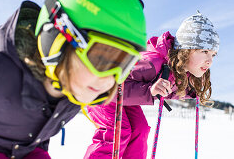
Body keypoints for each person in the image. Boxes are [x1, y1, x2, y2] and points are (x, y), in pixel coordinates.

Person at [0, 0, 147, 158]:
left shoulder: (75, 92)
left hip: (27, 149)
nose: (109, 80)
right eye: (101, 60)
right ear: (57, 38)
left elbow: (37, 125)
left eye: (124, 65)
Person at [84, 11, 219, 159]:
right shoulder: (152, 63)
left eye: (213, 54)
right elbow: (112, 84)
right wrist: (149, 92)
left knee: (140, 130)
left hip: (123, 98)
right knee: (118, 130)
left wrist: (190, 92)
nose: (209, 60)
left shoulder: (180, 73)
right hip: (98, 87)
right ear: (185, 50)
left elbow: (171, 91)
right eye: (204, 51)